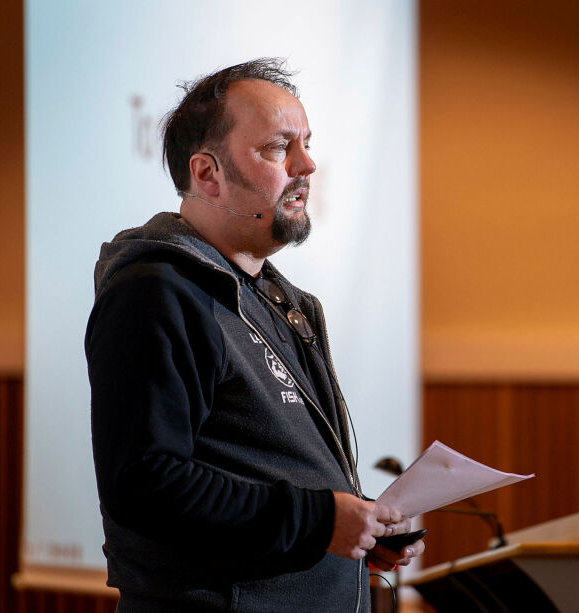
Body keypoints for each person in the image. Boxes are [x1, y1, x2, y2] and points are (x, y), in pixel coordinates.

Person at [85, 58, 423, 612]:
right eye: (278, 148)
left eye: (307, 143)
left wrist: (351, 525)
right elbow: (145, 485)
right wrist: (317, 521)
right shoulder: (155, 294)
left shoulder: (282, 302)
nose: (307, 164)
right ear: (207, 173)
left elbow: (262, 467)